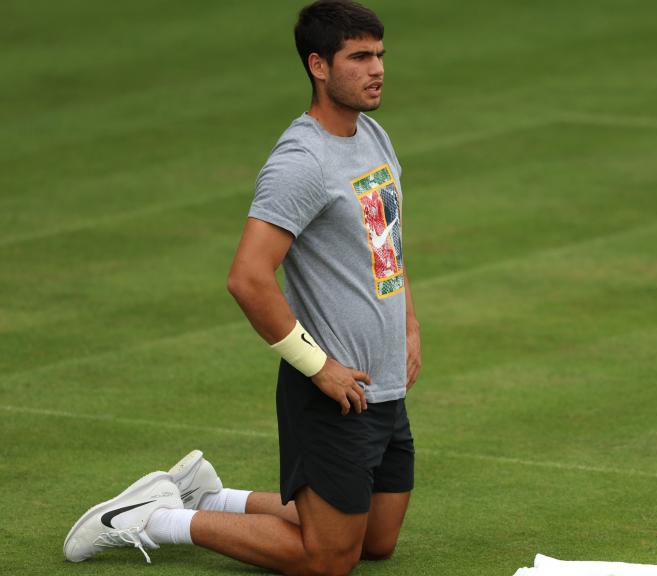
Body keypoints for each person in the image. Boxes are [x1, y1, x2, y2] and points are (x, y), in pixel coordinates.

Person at [62, 1, 421, 574]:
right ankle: (149, 519)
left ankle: (208, 495)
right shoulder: (301, 160)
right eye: (358, 57)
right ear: (318, 66)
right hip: (330, 392)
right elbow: (248, 278)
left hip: (380, 387)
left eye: (379, 54)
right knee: (329, 560)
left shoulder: (373, 136)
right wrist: (317, 366)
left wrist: (408, 323)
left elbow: (386, 248)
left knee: (375, 542)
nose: (376, 68)